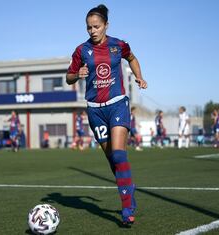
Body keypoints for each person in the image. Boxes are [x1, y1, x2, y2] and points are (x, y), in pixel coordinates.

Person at [66, 4, 147, 225]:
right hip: (94, 110)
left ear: (106, 25)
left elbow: (132, 58)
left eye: (96, 26)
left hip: (117, 104)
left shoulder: (118, 45)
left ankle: (127, 208)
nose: (92, 31)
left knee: (119, 155)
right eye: (89, 27)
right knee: (113, 160)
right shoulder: (81, 50)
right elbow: (69, 77)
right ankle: (128, 187)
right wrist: (78, 74)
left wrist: (139, 77)